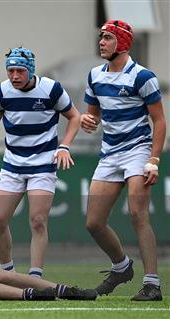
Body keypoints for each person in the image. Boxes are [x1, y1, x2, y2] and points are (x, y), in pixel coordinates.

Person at [0, 47, 80, 278]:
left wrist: (64, 146)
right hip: (12, 165)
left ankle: (35, 277)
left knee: (38, 220)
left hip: (43, 164)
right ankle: (8, 274)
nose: (14, 76)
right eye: (10, 71)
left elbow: (74, 117)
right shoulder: (2, 90)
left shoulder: (51, 89)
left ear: (30, 70)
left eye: (19, 71)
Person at [81, 20, 166, 301]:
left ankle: (152, 283)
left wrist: (153, 159)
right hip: (110, 153)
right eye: (100, 38)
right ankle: (122, 267)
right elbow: (93, 113)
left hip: (138, 150)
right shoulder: (95, 75)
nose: (101, 42)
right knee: (93, 223)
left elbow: (159, 121)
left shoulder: (142, 76)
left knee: (137, 214)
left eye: (107, 38)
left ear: (123, 42)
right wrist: (88, 121)